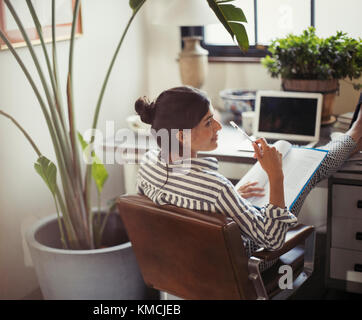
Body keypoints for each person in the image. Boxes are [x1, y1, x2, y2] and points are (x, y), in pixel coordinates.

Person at [135, 86, 362, 271]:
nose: (218, 126)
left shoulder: (147, 163)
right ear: (181, 136)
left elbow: (172, 206)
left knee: (296, 169)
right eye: (208, 122)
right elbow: (272, 241)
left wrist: (224, 203)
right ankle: (353, 135)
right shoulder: (216, 190)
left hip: (185, 265)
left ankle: (350, 139)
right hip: (240, 266)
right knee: (309, 171)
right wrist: (275, 175)